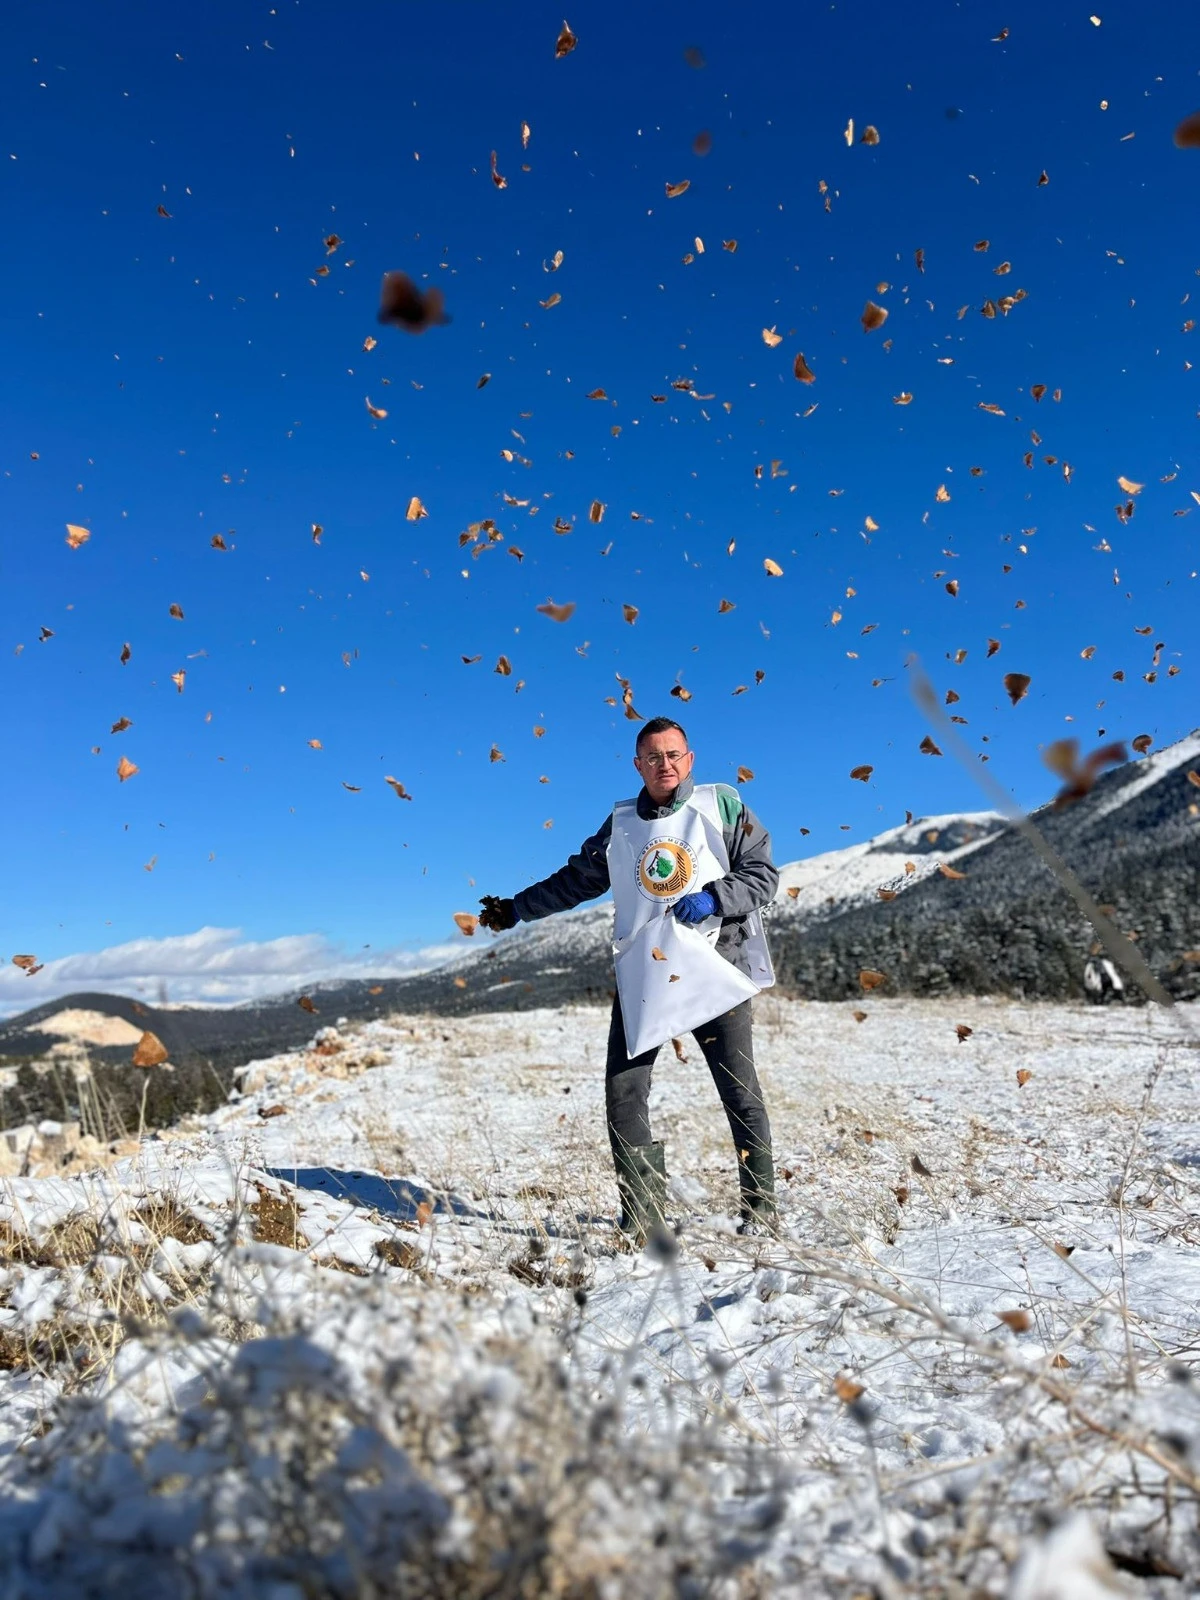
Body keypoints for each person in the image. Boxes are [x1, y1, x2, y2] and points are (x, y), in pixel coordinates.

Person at [479, 717, 780, 1241]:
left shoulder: (723, 806)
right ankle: (642, 1218)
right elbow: (577, 880)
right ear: (637, 765)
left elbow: (763, 875)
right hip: (647, 973)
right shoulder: (620, 825)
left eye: (674, 755)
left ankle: (761, 1210)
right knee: (624, 1091)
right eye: (653, 757)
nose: (665, 765)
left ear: (690, 758)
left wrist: (715, 898)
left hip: (716, 969)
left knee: (739, 1091)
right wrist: (517, 909)